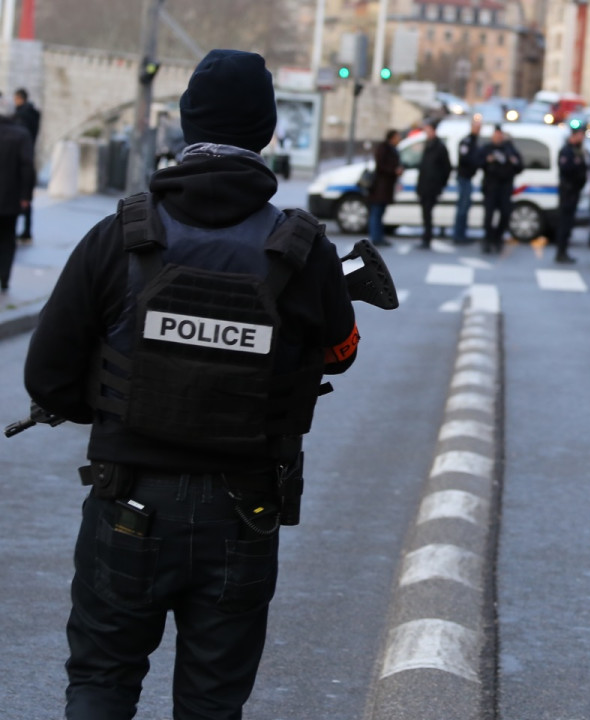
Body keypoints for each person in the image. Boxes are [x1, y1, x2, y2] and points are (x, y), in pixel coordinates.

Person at [23, 49, 360, 719]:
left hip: (127, 503)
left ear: (185, 124)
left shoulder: (118, 235)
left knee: (101, 682)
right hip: (243, 513)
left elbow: (47, 377)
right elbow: (341, 354)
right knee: (212, 701)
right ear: (266, 131)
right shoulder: (302, 248)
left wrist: (123, 393)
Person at [0, 95, 34, 293]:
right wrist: (25, 197)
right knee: (7, 237)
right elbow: (27, 167)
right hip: (10, 198)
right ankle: (4, 277)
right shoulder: (21, 135)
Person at [479, 124, 523, 254]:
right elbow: (477, 162)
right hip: (491, 187)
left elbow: (519, 166)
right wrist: (488, 160)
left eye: (500, 135)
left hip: (505, 187)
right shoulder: (487, 148)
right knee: (488, 216)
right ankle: (488, 239)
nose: (498, 138)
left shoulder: (509, 149)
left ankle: (498, 238)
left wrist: (512, 161)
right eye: (496, 135)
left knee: (505, 214)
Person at [415, 118, 452, 250]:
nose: (426, 132)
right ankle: (426, 236)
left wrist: (440, 184)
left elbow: (447, 168)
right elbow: (423, 168)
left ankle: (427, 238)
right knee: (425, 213)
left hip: (432, 187)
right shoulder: (428, 145)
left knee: (428, 213)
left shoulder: (439, 147)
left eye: (428, 129)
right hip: (425, 186)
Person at [554, 121, 588, 263]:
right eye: (581, 135)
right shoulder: (567, 150)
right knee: (564, 222)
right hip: (568, 191)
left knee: (568, 223)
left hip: (574, 191)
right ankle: (561, 252)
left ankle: (563, 251)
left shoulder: (578, 150)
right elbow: (567, 169)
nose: (583, 138)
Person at [12, 87, 40, 243]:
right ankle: (27, 230)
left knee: (20, 196)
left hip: (19, 160)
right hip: (28, 157)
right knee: (26, 197)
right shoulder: (33, 114)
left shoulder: (21, 116)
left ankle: (24, 230)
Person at [368, 128, 402, 248]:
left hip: (385, 187)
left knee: (380, 212)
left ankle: (379, 236)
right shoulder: (384, 148)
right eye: (397, 136)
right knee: (376, 212)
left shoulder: (391, 148)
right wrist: (394, 170)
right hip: (380, 187)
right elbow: (381, 166)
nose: (399, 139)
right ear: (392, 137)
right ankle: (376, 237)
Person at [453, 116, 483, 244]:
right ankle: (459, 235)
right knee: (463, 207)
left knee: (465, 206)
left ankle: (461, 234)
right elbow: (465, 158)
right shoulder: (467, 141)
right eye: (476, 127)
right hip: (464, 177)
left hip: (468, 178)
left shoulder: (474, 141)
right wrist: (478, 162)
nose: (478, 129)